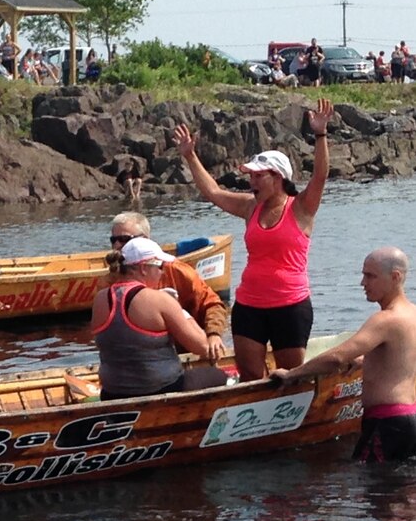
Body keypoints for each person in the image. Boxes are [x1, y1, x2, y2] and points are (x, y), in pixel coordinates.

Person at [174, 98, 332, 380]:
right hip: (249, 305)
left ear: (279, 178)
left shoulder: (301, 207)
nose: (252, 181)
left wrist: (320, 134)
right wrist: (190, 155)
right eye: (251, 176)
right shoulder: (250, 207)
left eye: (259, 176)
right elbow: (213, 193)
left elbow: (320, 176)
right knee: (250, 377)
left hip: (290, 306)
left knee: (290, 376)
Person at [272, 247, 416, 462]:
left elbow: (337, 357)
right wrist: (364, 361)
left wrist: (293, 374)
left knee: (379, 492)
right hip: (409, 418)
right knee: (402, 490)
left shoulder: (386, 319)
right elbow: (402, 358)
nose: (363, 283)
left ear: (395, 277)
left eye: (370, 276)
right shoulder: (412, 314)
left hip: (388, 422)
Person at [91, 238, 224, 400]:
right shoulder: (160, 300)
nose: (163, 272)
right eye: (160, 266)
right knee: (218, 376)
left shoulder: (99, 298)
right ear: (143, 268)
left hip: (111, 393)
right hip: (160, 389)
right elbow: (201, 346)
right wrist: (181, 311)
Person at [109, 212, 229, 361]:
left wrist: (214, 334)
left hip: (183, 353)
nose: (117, 246)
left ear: (145, 240)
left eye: (124, 239)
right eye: (113, 240)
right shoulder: (110, 281)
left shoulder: (177, 271)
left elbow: (212, 304)